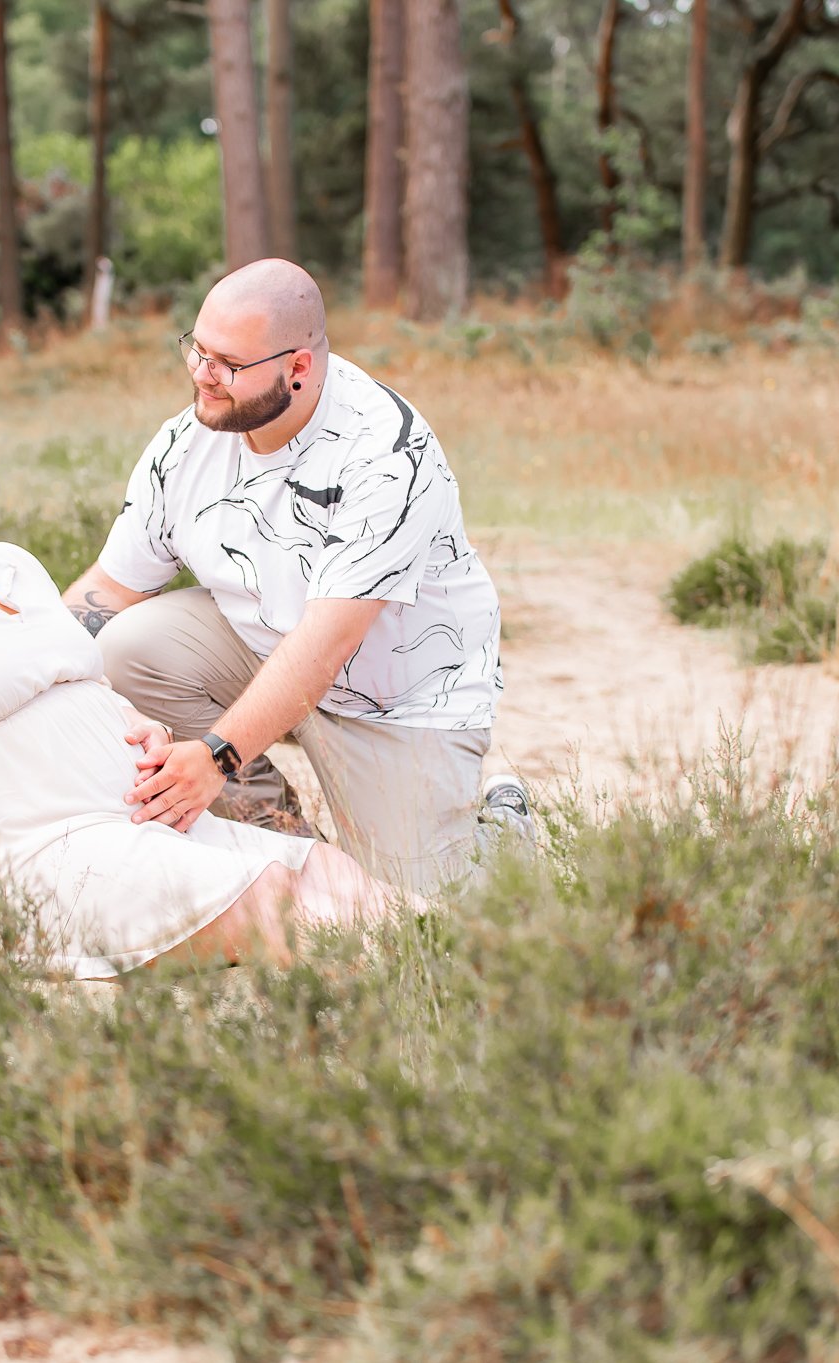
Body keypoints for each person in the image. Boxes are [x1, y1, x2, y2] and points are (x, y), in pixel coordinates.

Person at [0, 376, 401, 978]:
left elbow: (84, 685)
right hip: (32, 853)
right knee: (275, 899)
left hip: (139, 821)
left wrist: (139, 726)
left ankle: (461, 958)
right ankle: (445, 986)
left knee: (329, 872)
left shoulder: (9, 564)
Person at [62, 259, 526, 894]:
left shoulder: (384, 454)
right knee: (124, 646)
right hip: (260, 645)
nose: (202, 375)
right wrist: (33, 670)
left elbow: (326, 646)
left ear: (298, 368)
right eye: (196, 350)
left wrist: (216, 757)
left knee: (424, 915)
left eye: (227, 362)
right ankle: (282, 845)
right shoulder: (187, 442)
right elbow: (110, 590)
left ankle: (501, 830)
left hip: (399, 697)